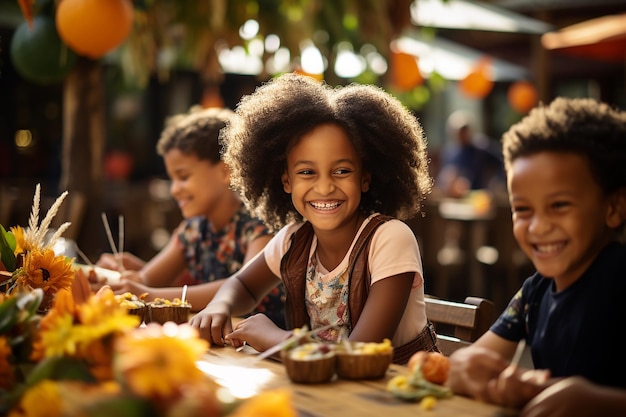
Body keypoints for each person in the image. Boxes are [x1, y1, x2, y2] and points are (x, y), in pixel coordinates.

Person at [188, 73, 439, 364]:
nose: (324, 187)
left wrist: (274, 338)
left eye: (342, 171)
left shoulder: (390, 238)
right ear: (286, 182)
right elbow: (241, 286)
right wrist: (219, 305)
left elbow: (358, 356)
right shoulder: (293, 240)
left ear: (365, 178)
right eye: (307, 172)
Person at [446, 97, 626, 416]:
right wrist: (473, 372)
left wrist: (602, 403)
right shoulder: (535, 291)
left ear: (613, 207)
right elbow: (468, 360)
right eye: (523, 210)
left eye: (559, 205)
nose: (538, 227)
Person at [97, 107, 285, 328]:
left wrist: (147, 292)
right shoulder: (194, 229)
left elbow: (240, 287)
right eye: (172, 179)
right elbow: (147, 280)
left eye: (183, 177)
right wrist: (113, 278)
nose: (174, 190)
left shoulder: (258, 226)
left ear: (226, 172)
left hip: (261, 349)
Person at [436, 110, 505, 198]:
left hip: (478, 198)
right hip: (456, 199)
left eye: (465, 131)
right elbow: (442, 180)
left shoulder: (481, 149)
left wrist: (495, 183)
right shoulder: (450, 153)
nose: (462, 135)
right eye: (460, 132)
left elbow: (501, 164)